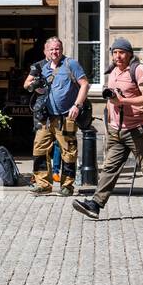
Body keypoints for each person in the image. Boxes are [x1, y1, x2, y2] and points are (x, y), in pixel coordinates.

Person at [72, 38, 143, 220]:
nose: (117, 56)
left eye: (121, 52)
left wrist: (122, 101)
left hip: (137, 129)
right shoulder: (113, 71)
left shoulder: (138, 70)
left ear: (129, 53)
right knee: (109, 168)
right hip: (117, 130)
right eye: (114, 53)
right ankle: (95, 205)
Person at [24, 37, 90, 197]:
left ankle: (67, 186)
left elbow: (85, 84)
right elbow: (28, 85)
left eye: (58, 49)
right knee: (39, 149)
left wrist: (77, 105)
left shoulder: (71, 64)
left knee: (68, 152)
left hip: (66, 116)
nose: (55, 52)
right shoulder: (43, 68)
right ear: (46, 51)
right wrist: (36, 89)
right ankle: (42, 184)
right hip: (46, 117)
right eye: (52, 49)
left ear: (62, 49)